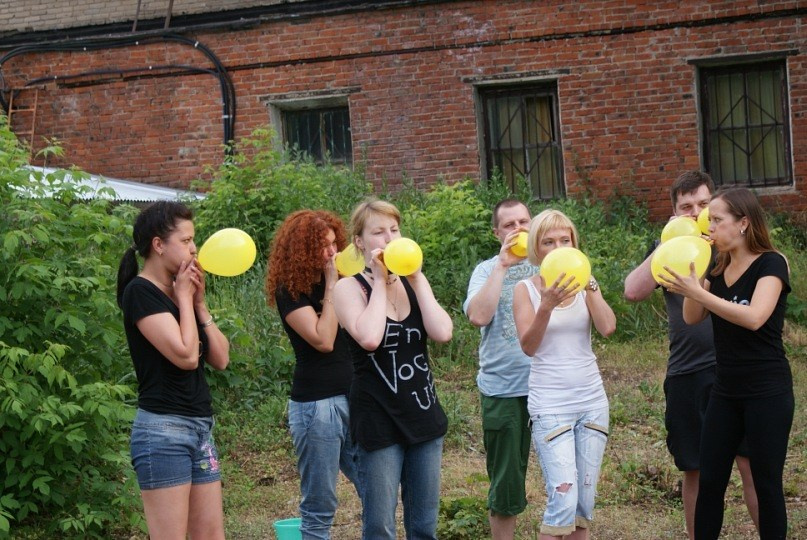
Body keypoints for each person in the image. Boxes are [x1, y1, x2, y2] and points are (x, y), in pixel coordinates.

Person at [623, 171, 758, 539]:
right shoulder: (669, 248)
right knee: (696, 468)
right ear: (674, 212)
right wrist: (667, 244)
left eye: (703, 204)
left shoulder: (730, 243)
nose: (697, 213)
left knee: (750, 464)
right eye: (687, 207)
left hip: (735, 368)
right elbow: (633, 291)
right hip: (688, 372)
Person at [660, 187, 793, 539]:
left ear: (743, 223)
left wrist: (701, 293)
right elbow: (691, 317)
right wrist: (697, 276)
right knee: (710, 481)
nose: (710, 227)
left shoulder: (771, 263)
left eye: (717, 220)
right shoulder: (717, 268)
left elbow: (754, 317)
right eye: (710, 222)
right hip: (726, 391)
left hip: (767, 391)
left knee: (766, 484)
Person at [332, 198, 453, 540]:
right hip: (378, 419)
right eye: (378, 232)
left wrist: (417, 276)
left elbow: (443, 332)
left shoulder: (413, 283)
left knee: (424, 526)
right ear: (359, 241)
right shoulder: (348, 287)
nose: (389, 238)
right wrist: (380, 281)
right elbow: (370, 338)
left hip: (423, 414)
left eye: (394, 230)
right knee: (380, 527)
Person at [116, 201, 230, 539]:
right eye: (186, 240)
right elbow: (186, 356)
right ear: (158, 244)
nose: (194, 249)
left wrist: (199, 304)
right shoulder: (140, 292)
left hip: (200, 427)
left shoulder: (183, 293)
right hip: (163, 432)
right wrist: (183, 299)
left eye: (194, 240)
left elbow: (221, 359)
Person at [512, 209, 616, 540]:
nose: (558, 247)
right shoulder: (525, 290)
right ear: (536, 248)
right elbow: (529, 346)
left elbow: (608, 327)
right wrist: (546, 305)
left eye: (564, 240)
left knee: (583, 503)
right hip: (551, 405)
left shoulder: (585, 283)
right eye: (549, 241)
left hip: (591, 401)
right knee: (563, 499)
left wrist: (591, 286)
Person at [264, 210, 361, 539]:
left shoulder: (348, 280)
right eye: (323, 247)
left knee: (375, 488)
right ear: (302, 251)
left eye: (334, 243)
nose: (332, 253)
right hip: (317, 406)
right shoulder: (290, 291)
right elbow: (323, 339)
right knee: (321, 504)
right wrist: (333, 285)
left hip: (354, 396)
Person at [463, 198, 536, 540]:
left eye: (523, 221)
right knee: (506, 482)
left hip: (551, 386)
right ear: (497, 233)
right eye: (509, 224)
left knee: (566, 476)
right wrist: (502, 267)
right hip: (503, 389)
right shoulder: (486, 270)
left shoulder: (548, 263)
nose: (518, 229)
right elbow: (478, 316)